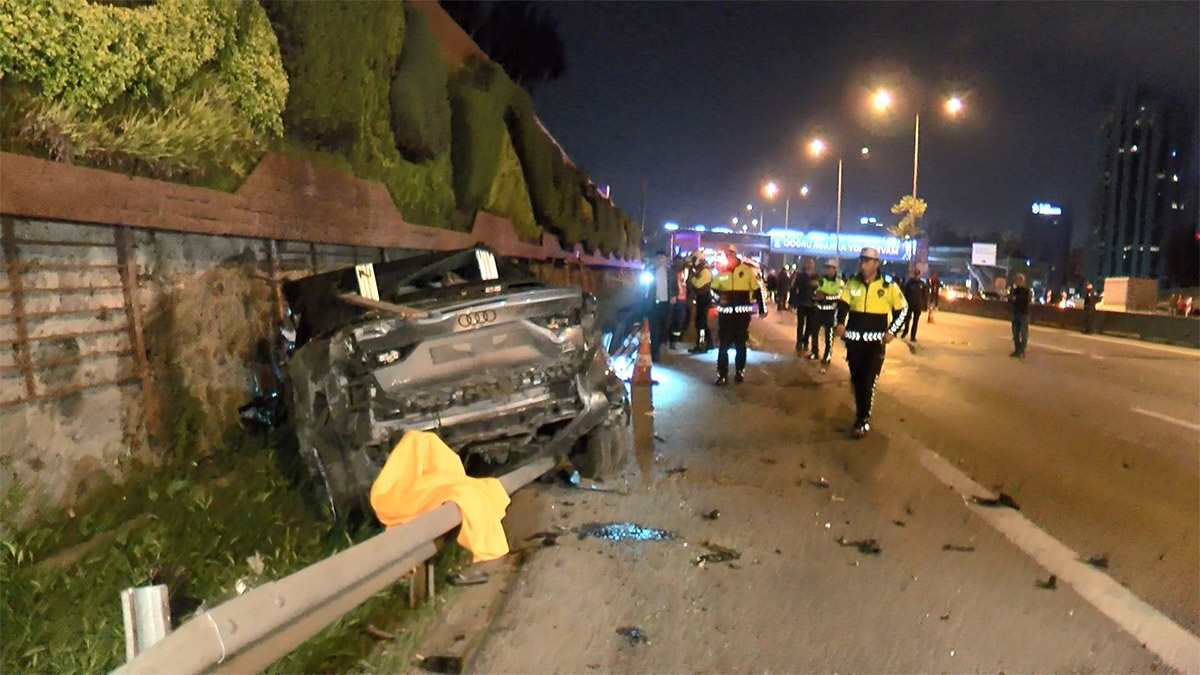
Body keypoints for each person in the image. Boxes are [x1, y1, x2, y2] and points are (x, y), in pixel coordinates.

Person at [834, 247, 908, 438]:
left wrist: (891, 331)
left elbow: (903, 310)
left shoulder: (888, 287)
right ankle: (861, 410)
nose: (863, 264)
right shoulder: (852, 284)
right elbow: (842, 305)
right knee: (857, 379)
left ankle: (862, 419)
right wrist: (840, 323)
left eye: (867, 261)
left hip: (874, 344)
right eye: (861, 261)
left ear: (876, 264)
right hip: (853, 343)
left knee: (868, 380)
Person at [712, 245, 766, 385]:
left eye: (730, 253)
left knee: (740, 344)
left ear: (735, 254)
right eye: (726, 253)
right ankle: (722, 374)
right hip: (725, 316)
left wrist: (762, 309)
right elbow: (711, 290)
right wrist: (719, 298)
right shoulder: (722, 272)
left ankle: (739, 371)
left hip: (741, 317)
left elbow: (756, 290)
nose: (728, 256)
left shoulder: (746, 271)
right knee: (723, 345)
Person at [644, 250, 677, 362]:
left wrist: (674, 295)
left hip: (666, 304)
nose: (660, 260)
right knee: (655, 328)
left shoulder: (670, 272)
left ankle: (662, 346)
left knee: (664, 327)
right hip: (655, 303)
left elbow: (674, 286)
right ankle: (655, 352)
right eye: (659, 258)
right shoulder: (651, 272)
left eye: (663, 257)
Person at [812, 259, 844, 365]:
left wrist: (826, 296)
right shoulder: (822, 280)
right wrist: (817, 295)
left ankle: (827, 355)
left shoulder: (839, 282)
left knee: (829, 335)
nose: (829, 270)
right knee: (814, 332)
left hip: (831, 312)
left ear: (835, 269)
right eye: (827, 268)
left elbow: (839, 296)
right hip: (819, 310)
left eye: (831, 268)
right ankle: (814, 352)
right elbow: (816, 293)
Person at [791, 257, 818, 355]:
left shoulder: (816, 276)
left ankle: (805, 340)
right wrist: (793, 302)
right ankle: (799, 342)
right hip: (802, 303)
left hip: (812, 304)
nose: (810, 265)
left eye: (812, 263)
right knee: (800, 324)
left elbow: (819, 289)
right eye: (809, 263)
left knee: (810, 326)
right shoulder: (801, 276)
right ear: (807, 264)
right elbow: (795, 288)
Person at [688, 253, 714, 353]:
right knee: (701, 322)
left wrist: (692, 278)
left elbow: (698, 284)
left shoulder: (705, 271)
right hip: (701, 299)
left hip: (704, 299)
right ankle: (709, 343)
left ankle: (701, 345)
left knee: (701, 323)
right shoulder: (701, 271)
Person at [901, 267, 930, 341]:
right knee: (907, 320)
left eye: (918, 275)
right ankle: (905, 331)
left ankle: (913, 336)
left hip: (917, 306)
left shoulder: (922, 284)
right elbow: (905, 293)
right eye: (915, 275)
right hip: (909, 305)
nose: (916, 276)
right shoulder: (910, 283)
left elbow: (925, 295)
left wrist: (924, 305)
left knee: (915, 322)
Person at [1008, 273, 1032, 358]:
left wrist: (1016, 299)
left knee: (1024, 333)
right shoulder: (1015, 290)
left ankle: (1022, 350)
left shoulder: (1027, 291)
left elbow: (1024, 300)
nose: (1017, 282)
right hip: (1015, 313)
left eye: (1018, 280)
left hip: (1024, 314)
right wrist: (1014, 299)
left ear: (1022, 281)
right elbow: (1010, 299)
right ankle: (1017, 350)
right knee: (1015, 333)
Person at [669, 255, 690, 349]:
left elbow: (690, 286)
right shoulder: (670, 272)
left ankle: (675, 340)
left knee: (679, 322)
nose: (679, 264)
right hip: (674, 299)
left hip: (683, 300)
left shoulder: (686, 272)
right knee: (672, 320)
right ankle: (671, 340)